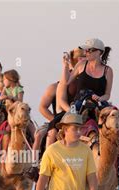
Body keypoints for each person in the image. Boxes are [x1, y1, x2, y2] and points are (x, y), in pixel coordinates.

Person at [25, 48, 86, 181]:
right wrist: (57, 121)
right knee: (41, 134)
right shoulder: (55, 87)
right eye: (79, 59)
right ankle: (38, 165)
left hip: (83, 119)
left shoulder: (86, 81)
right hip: (60, 118)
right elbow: (42, 107)